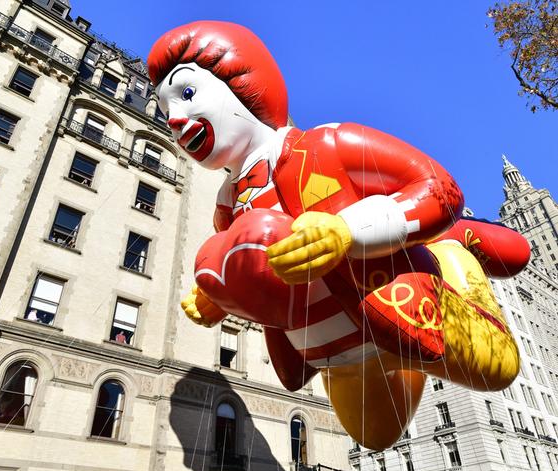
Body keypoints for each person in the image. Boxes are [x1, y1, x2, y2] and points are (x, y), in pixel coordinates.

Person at [148, 21, 529, 448]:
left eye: (185, 94)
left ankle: (453, 260)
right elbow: (260, 273)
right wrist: (218, 298)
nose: (176, 120)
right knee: (374, 437)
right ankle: (402, 351)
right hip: (333, 355)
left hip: (390, 300)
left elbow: (440, 188)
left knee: (497, 367)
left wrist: (347, 231)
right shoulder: (227, 209)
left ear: (243, 83)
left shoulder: (327, 144)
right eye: (165, 111)